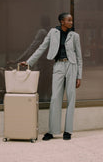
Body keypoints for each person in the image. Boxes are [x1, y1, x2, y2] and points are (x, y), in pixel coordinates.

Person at [20, 12, 83, 140]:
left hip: (72, 66)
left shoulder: (75, 36)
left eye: (72, 20)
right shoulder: (52, 33)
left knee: (71, 98)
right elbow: (41, 48)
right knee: (55, 98)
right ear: (62, 21)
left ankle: (68, 131)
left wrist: (79, 75)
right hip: (58, 66)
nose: (71, 22)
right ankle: (52, 130)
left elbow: (79, 57)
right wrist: (29, 62)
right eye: (69, 20)